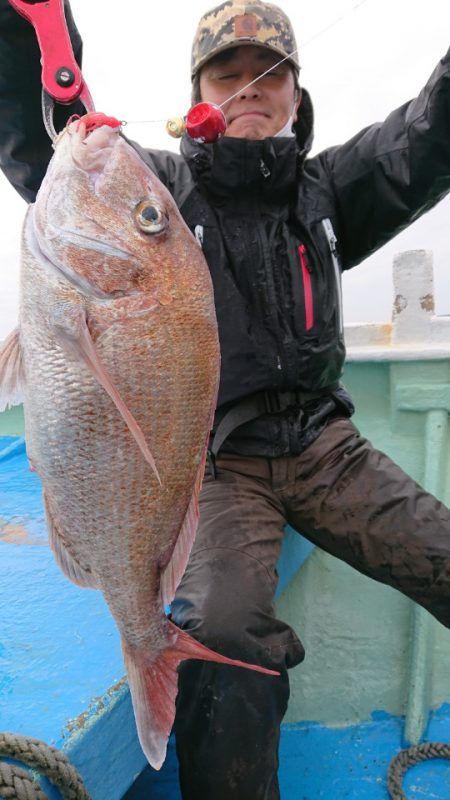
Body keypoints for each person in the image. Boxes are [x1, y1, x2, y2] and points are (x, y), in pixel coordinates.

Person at [1, 1, 450, 797]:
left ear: (295, 95)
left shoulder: (331, 189)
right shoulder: (165, 190)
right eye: (227, 74)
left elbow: (427, 136)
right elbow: (56, 148)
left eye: (267, 74)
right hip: (215, 465)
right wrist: (26, 35)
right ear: (199, 92)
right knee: (225, 637)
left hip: (326, 446)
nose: (249, 89)